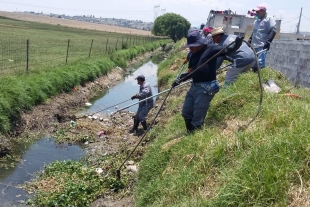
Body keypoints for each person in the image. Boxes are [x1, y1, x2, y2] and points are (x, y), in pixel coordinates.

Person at [172, 30, 243, 133]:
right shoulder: (192, 55)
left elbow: (227, 51)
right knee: (186, 113)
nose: (190, 48)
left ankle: (194, 134)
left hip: (206, 87)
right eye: (190, 46)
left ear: (199, 43)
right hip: (194, 86)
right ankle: (190, 131)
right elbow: (191, 72)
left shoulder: (211, 49)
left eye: (192, 46)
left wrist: (237, 44)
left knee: (198, 115)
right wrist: (179, 80)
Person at [248, 5, 276, 72]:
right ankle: (254, 74)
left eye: (258, 11)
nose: (256, 12)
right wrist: (250, 39)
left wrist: (268, 42)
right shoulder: (257, 20)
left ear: (263, 11)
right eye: (256, 11)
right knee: (253, 62)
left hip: (262, 45)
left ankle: (260, 75)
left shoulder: (269, 19)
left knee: (260, 62)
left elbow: (273, 31)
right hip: (254, 44)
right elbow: (254, 31)